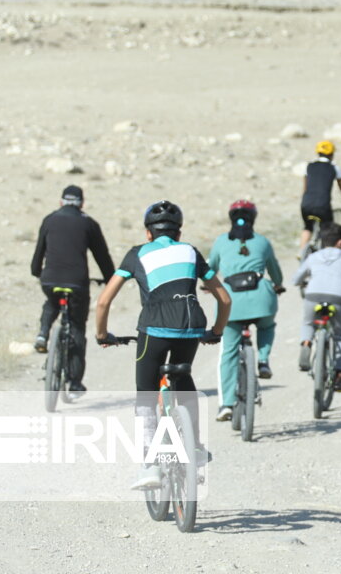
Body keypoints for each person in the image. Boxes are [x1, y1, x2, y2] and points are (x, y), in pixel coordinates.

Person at [95, 200, 230, 490]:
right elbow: (224, 299)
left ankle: (151, 464)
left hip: (154, 329)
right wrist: (215, 331)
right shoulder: (191, 253)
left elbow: (104, 300)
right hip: (191, 325)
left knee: (146, 396)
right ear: (178, 233)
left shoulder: (136, 254)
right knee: (183, 378)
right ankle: (194, 446)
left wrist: (102, 334)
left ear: (148, 233)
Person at [30, 185, 114, 397]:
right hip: (77, 282)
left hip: (50, 279)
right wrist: (109, 278)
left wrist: (36, 271)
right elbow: (101, 256)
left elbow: (38, 252)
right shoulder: (89, 223)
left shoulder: (49, 220)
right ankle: (75, 382)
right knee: (76, 327)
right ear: (81, 204)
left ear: (61, 202)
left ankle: (43, 334)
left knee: (51, 302)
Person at [208, 200, 285, 421]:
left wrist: (208, 285)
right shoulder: (262, 241)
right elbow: (275, 271)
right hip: (262, 298)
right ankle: (262, 359)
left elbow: (210, 268)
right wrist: (278, 284)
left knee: (228, 353)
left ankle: (226, 404)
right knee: (267, 325)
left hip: (231, 301)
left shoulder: (221, 241)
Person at [293, 223, 341, 393]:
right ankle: (340, 376)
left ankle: (306, 343)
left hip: (313, 296)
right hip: (338, 297)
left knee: (308, 323)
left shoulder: (313, 257)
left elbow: (296, 279)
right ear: (340, 242)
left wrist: (303, 282)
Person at [299, 140, 341, 254]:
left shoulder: (308, 166)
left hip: (306, 204)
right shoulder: (334, 168)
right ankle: (326, 254)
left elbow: (305, 187)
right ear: (332, 154)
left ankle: (301, 252)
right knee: (327, 230)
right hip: (323, 205)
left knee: (307, 227)